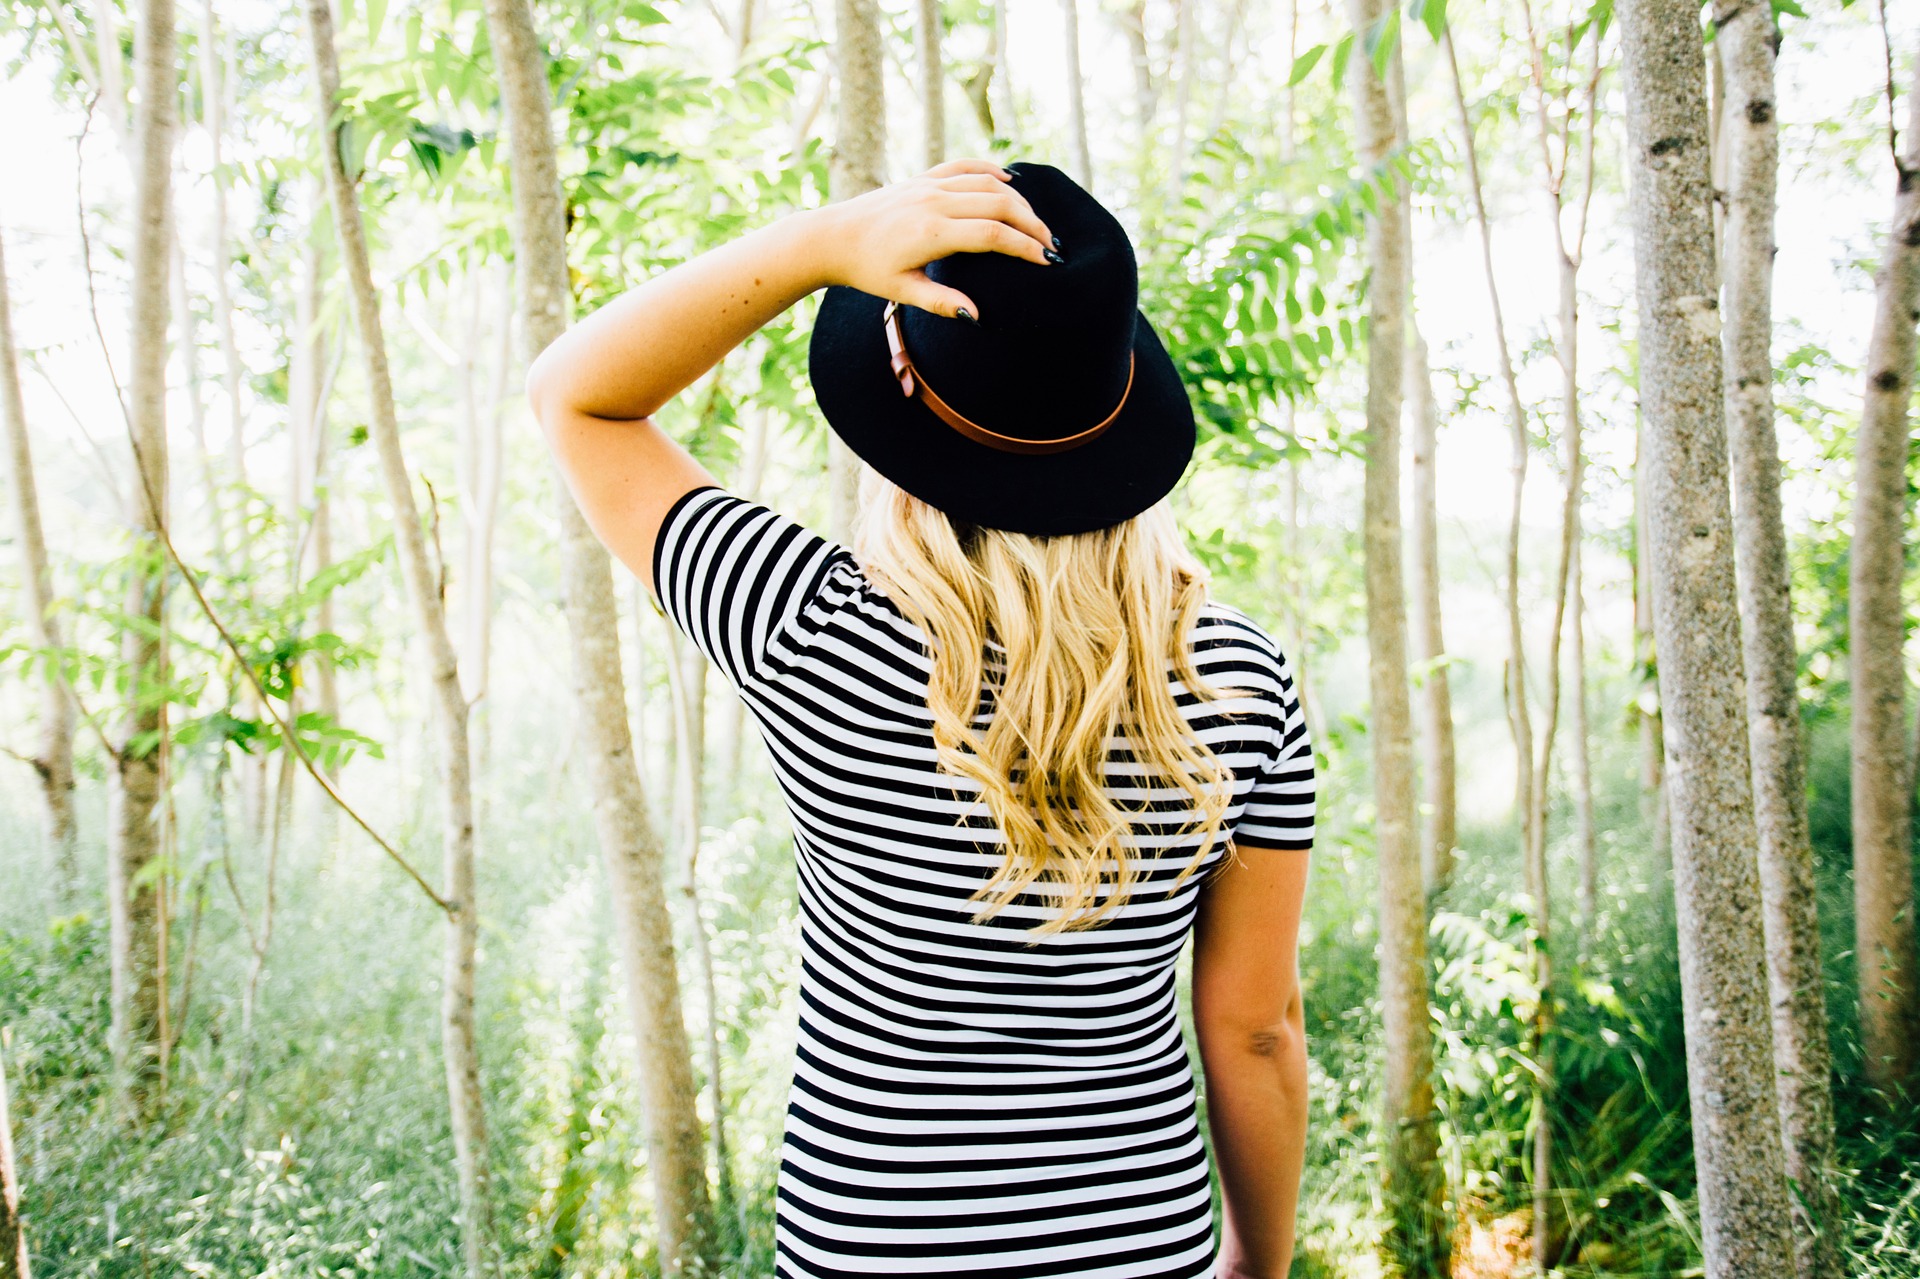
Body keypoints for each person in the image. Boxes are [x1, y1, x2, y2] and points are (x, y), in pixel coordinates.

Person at [528, 158, 1315, 1279]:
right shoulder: (1238, 680)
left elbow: (577, 393)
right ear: (1124, 404)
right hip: (1138, 1249)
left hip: (870, 1250)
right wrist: (1257, 1263)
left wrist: (822, 244)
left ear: (897, 398)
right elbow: (1255, 1028)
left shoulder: (800, 623)